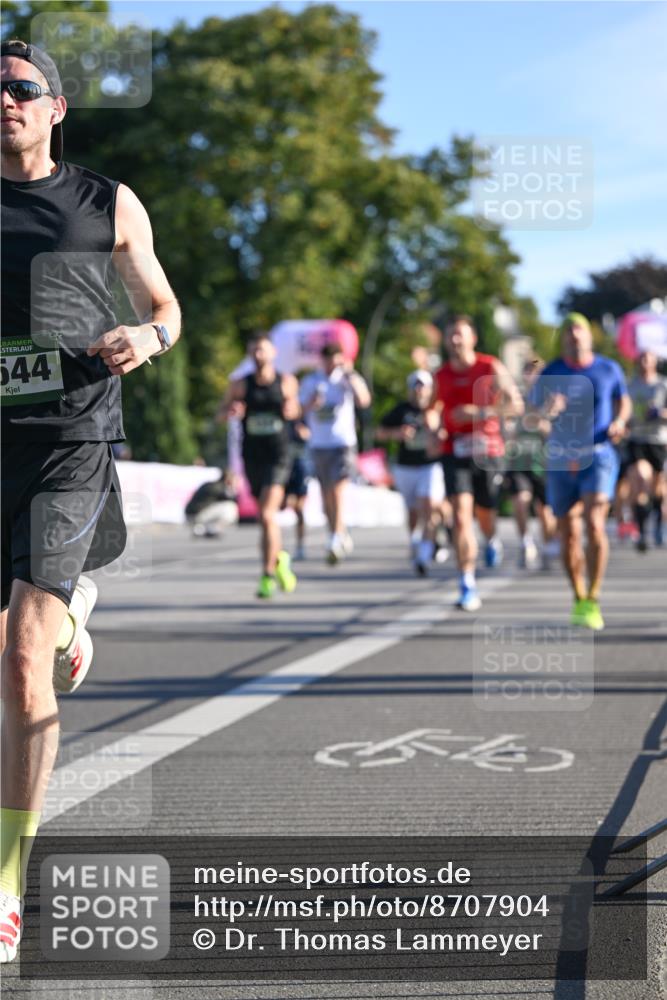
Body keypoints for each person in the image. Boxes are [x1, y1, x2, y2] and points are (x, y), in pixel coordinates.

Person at [1, 39, 181, 962]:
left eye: (21, 88)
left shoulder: (105, 201)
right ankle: (74, 623)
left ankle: (4, 881)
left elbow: (165, 304)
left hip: (71, 439)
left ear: (56, 107)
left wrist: (147, 339)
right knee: (11, 644)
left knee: (21, 663)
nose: (5, 100)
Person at [529, 313, 632, 630]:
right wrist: (549, 411)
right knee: (569, 534)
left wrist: (619, 421)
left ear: (589, 336)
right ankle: (578, 596)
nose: (574, 336)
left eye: (579, 330)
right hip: (562, 458)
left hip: (598, 454)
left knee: (594, 523)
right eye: (569, 331)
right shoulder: (551, 372)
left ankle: (594, 596)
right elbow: (533, 418)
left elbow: (623, 401)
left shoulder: (607, 368)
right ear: (562, 339)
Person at [433, 315, 523, 610]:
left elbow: (515, 405)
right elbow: (432, 409)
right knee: (460, 516)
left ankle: (492, 538)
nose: (455, 341)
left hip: (488, 451)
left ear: (473, 339)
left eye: (460, 335)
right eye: (450, 336)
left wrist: (479, 412)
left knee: (486, 513)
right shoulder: (441, 375)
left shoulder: (489, 367)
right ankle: (467, 583)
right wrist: (434, 428)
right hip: (454, 451)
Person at [220, 334, 298, 598]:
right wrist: (231, 412)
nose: (258, 354)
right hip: (252, 456)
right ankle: (280, 559)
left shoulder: (286, 382)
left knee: (266, 515)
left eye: (262, 349)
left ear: (273, 353)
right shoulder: (240, 385)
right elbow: (220, 413)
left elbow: (296, 411)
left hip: (279, 454)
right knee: (266, 521)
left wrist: (291, 410)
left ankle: (266, 575)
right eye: (254, 350)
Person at [300, 343, 371, 565]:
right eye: (328, 359)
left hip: (342, 443)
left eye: (336, 359)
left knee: (338, 490)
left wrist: (350, 373)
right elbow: (297, 410)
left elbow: (364, 400)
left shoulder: (347, 378)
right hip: (319, 443)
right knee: (326, 493)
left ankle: (335, 537)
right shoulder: (311, 381)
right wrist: (311, 403)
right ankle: (336, 532)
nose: (332, 364)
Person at [376, 370, 445, 575]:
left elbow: (448, 432)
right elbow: (379, 432)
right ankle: (415, 540)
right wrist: (397, 433)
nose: (419, 390)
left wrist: (438, 432)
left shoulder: (437, 409)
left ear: (430, 389)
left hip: (430, 465)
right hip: (406, 466)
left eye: (423, 385)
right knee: (413, 511)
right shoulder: (401, 410)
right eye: (415, 385)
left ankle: (424, 554)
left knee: (429, 506)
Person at [503, 358, 559, 569]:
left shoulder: (551, 400)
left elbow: (551, 431)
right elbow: (508, 428)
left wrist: (540, 418)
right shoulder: (516, 399)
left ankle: (548, 546)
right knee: (520, 502)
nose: (532, 376)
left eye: (537, 372)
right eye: (529, 371)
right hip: (519, 463)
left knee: (545, 513)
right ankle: (526, 543)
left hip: (543, 464)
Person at [625, 350, 667, 551]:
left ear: (654, 361)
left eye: (647, 358)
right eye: (640, 358)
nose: (644, 362)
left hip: (658, 440)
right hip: (637, 439)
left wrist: (660, 413)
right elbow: (622, 410)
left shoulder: (662, 385)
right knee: (640, 479)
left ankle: (658, 526)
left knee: (658, 488)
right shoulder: (629, 385)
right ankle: (641, 532)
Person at [283, 419, 311, 561]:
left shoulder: (304, 417)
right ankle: (275, 544)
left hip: (301, 467)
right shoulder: (280, 418)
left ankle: (300, 546)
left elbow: (309, 434)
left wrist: (303, 431)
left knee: (299, 508)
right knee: (283, 505)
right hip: (284, 468)